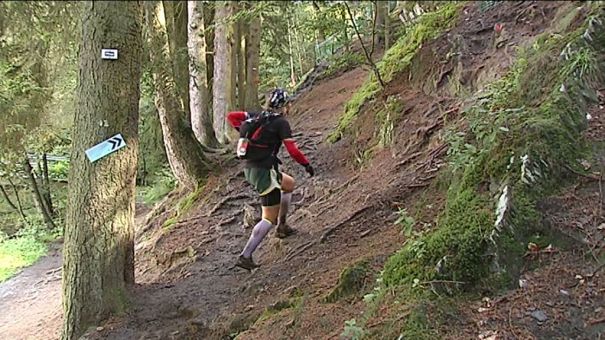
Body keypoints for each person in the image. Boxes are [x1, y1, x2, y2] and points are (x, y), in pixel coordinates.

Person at [226, 88, 315, 270]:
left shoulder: (256, 117)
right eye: (288, 104)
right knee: (268, 218)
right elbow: (292, 150)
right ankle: (245, 255)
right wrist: (306, 165)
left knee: (288, 183)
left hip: (254, 169)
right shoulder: (281, 123)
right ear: (283, 106)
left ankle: (283, 227)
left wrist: (248, 138)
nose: (290, 107)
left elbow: (232, 117)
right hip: (264, 173)